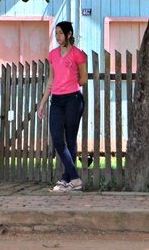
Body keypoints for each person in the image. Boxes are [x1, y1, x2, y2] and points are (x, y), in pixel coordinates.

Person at [37, 21, 88, 191]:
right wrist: (43, 103)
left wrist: (69, 83)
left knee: (71, 140)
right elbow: (50, 80)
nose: (58, 36)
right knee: (58, 139)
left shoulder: (78, 54)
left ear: (69, 34)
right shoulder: (52, 55)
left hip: (73, 98)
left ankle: (66, 180)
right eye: (56, 33)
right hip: (57, 100)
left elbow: (84, 79)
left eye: (60, 33)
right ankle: (74, 178)